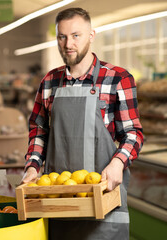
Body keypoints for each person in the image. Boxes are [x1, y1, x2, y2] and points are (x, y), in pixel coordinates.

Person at [21, 8, 144, 239]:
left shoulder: (118, 78)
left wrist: (118, 163)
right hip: (59, 203)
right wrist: (32, 166)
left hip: (105, 201)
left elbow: (133, 133)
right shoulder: (49, 82)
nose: (68, 44)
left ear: (91, 35)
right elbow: (39, 131)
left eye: (76, 35)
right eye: (62, 36)